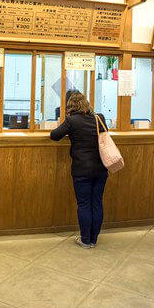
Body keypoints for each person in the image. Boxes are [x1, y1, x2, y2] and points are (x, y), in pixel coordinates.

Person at [49, 91, 108, 248]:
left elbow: (54, 135)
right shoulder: (99, 118)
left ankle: (85, 239)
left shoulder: (71, 121)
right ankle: (94, 239)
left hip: (82, 169)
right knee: (96, 202)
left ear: (70, 105)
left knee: (83, 204)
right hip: (101, 167)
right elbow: (104, 135)